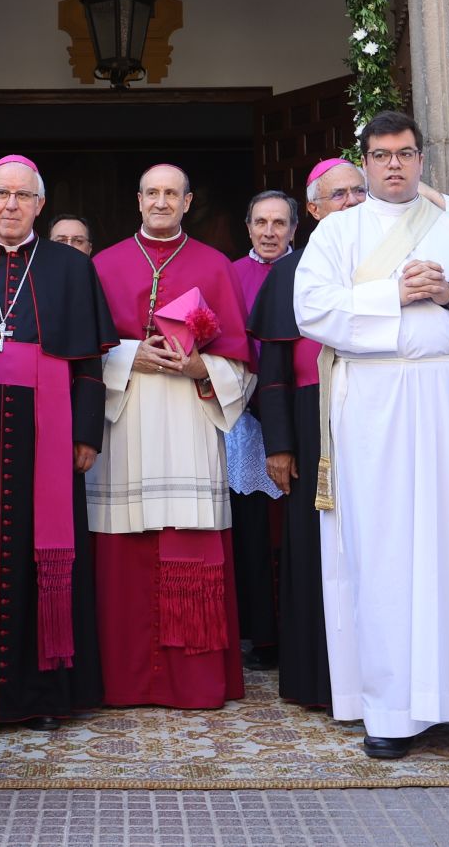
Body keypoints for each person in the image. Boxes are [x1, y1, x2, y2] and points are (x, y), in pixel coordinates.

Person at [294, 112, 449, 760]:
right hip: (377, 400)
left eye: (405, 153)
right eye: (381, 156)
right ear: (366, 161)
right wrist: (392, 294)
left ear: (423, 158)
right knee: (387, 547)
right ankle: (393, 709)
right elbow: (312, 309)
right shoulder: (337, 233)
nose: (394, 165)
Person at [0, 157, 115, 735]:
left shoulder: (68, 268)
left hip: (46, 431)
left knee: (45, 557)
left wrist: (85, 433)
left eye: (23, 196)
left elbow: (90, 362)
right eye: (1, 194)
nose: (11, 205)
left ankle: (44, 691)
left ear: (39, 206)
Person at [88, 164, 252, 710]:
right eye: (152, 193)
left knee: (191, 548)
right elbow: (82, 354)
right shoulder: (104, 265)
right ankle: (125, 680)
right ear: (138, 200)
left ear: (188, 202)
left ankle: (194, 683)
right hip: (127, 426)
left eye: (172, 194)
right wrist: (131, 353)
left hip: (187, 425)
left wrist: (200, 368)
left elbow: (242, 364)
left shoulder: (215, 266)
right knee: (124, 555)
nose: (161, 202)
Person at [248, 159, 366, 711]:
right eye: (336, 195)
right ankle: (317, 679)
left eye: (357, 192)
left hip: (378, 417)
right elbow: (270, 371)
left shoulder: (393, 262)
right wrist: (279, 444)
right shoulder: (288, 273)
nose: (350, 202)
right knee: (314, 549)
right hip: (310, 419)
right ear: (313, 211)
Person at [227, 190, 297, 669]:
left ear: (295, 228)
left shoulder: (311, 270)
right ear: (247, 226)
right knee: (251, 528)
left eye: (279, 223)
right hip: (243, 416)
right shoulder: (230, 275)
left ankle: (297, 630)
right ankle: (259, 633)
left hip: (299, 409)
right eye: (260, 223)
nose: (269, 232)